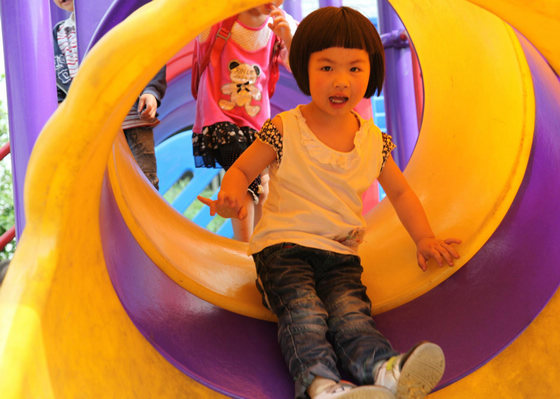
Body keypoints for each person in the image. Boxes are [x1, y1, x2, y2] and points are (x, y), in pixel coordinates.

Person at [199, 6, 461, 399]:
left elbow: (403, 193)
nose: (341, 81)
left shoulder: (374, 141)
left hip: (340, 253)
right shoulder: (285, 128)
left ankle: (385, 372)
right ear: (303, 68)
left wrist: (424, 238)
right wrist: (231, 194)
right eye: (326, 68)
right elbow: (241, 170)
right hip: (282, 250)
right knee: (305, 314)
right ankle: (321, 385)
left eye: (355, 68)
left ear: (372, 70)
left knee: (352, 315)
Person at [191, 1, 295, 241]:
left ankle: (260, 247)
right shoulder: (217, 17)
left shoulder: (280, 25)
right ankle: (244, 247)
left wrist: (288, 39)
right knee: (244, 173)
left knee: (263, 187)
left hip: (256, 120)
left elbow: (305, 64)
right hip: (220, 116)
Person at [52, 0, 166, 190]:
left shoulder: (118, 19)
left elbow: (150, 52)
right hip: (90, 124)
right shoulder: (60, 33)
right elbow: (56, 77)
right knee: (99, 184)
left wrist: (151, 91)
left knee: (144, 179)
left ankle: (141, 215)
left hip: (131, 115)